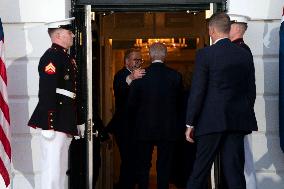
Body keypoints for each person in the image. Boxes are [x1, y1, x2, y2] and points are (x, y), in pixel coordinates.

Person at [185, 12, 258, 189]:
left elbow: (198, 91)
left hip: (210, 122)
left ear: (211, 30)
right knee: (235, 174)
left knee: (199, 173)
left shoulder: (205, 54)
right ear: (228, 29)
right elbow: (251, 90)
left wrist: (190, 123)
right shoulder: (244, 54)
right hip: (236, 122)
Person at [28, 18, 85, 189]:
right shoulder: (51, 57)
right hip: (55, 119)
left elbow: (74, 93)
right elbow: (47, 91)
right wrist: (48, 124)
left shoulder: (65, 57)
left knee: (60, 169)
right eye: (69, 32)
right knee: (51, 168)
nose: (73, 35)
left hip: (65, 119)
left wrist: (79, 120)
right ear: (59, 35)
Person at [127, 42, 183, 189]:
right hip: (168, 128)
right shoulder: (175, 76)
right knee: (164, 167)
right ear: (165, 56)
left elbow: (131, 105)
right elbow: (180, 104)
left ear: (150, 56)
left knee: (143, 166)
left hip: (144, 128)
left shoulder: (140, 76)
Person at [106, 48, 145, 189]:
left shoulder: (143, 75)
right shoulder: (121, 75)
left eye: (140, 60)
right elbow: (120, 95)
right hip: (124, 128)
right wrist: (131, 78)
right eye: (136, 59)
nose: (139, 62)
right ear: (127, 61)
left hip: (140, 128)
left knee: (140, 162)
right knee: (128, 161)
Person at [229, 14, 257, 189]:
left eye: (228, 26)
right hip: (239, 115)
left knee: (241, 164)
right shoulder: (239, 49)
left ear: (236, 27)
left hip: (237, 116)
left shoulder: (240, 50)